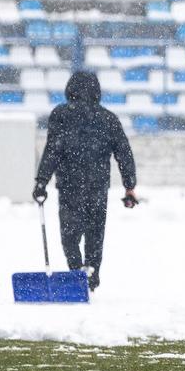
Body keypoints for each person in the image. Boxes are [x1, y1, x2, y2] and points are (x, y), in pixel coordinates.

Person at [33, 70, 138, 292]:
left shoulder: (61, 115)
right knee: (94, 234)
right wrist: (129, 186)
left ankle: (76, 272)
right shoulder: (109, 119)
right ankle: (91, 273)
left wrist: (42, 181)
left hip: (69, 186)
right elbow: (124, 153)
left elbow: (52, 150)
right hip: (97, 186)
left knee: (69, 235)